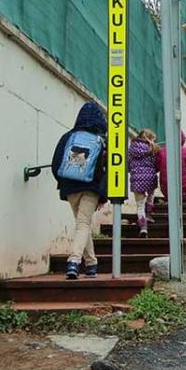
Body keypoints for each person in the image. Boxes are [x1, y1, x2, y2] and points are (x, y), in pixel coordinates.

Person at [51, 102, 107, 279]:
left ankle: (91, 263)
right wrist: (102, 195)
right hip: (90, 188)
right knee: (83, 225)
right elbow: (105, 169)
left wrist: (63, 182)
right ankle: (74, 261)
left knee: (82, 224)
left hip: (70, 188)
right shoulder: (101, 140)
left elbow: (56, 163)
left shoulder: (68, 136)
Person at [128, 129, 160, 237]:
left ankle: (143, 227)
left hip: (137, 178)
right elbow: (157, 164)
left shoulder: (132, 147)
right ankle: (149, 214)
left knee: (140, 205)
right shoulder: (153, 148)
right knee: (150, 196)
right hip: (150, 177)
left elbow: (128, 163)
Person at [157, 131, 186, 200]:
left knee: (168, 197)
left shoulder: (161, 151)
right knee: (180, 198)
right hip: (182, 183)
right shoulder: (185, 151)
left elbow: (157, 165)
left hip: (165, 184)